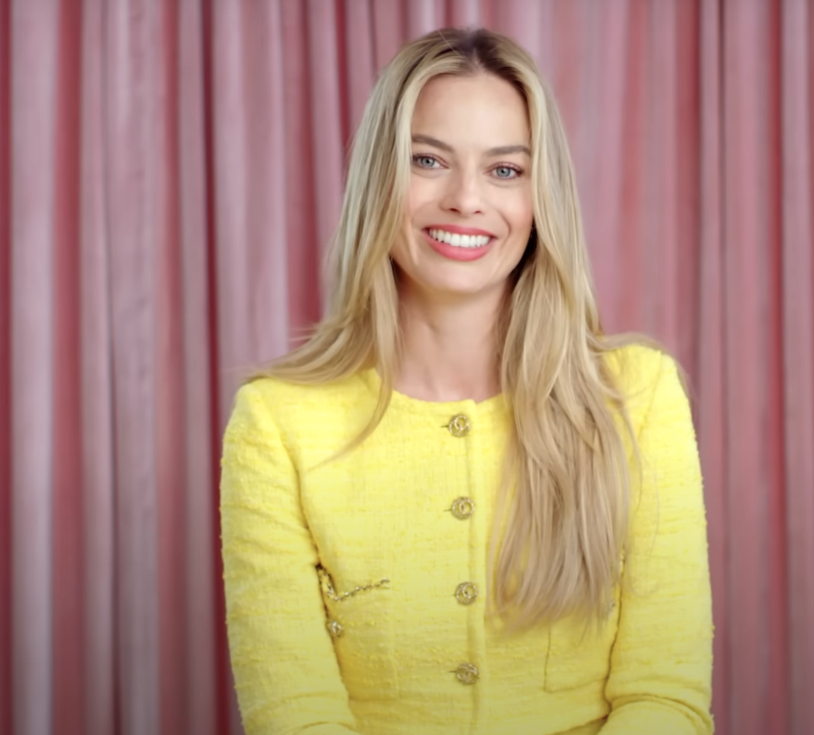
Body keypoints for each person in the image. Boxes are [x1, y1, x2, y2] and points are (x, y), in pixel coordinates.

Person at [220, 27, 713, 735]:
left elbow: (666, 697)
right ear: (379, 178)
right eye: (428, 160)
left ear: (542, 198)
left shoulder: (639, 396)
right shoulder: (276, 422)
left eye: (505, 171)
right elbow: (296, 718)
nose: (466, 199)